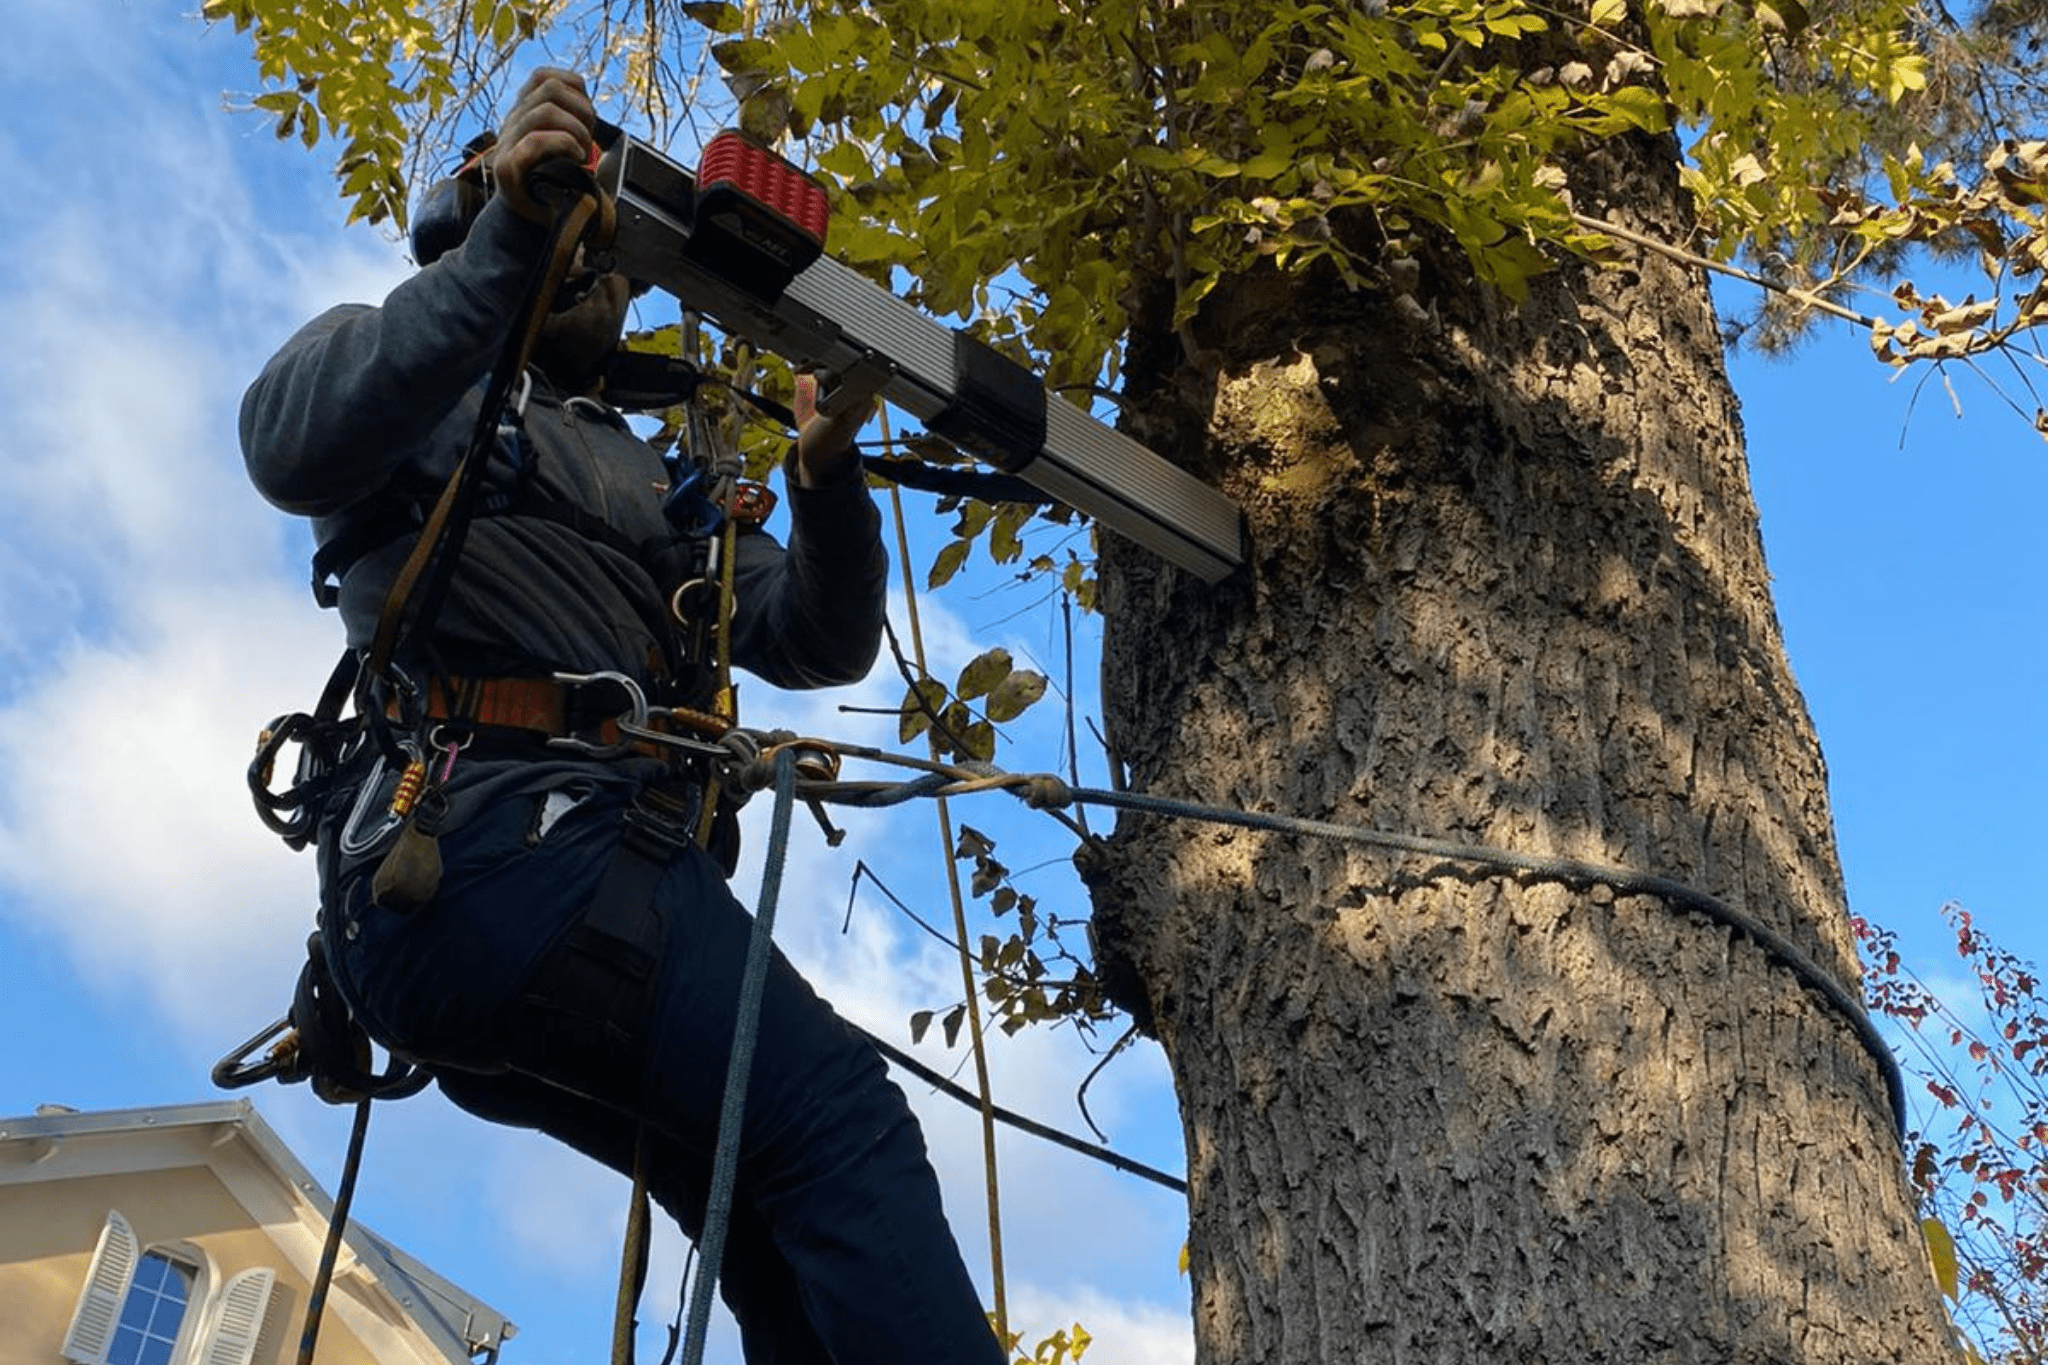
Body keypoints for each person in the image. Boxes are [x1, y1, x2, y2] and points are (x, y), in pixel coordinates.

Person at [240, 67, 1004, 1364]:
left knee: (765, 1204)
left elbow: (812, 638)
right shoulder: (398, 369)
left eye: (613, 259)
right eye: (579, 236)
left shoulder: (658, 478)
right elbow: (284, 443)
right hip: (485, 845)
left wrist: (823, 482)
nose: (607, 274)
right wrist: (509, 242)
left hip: (559, 881)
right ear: (476, 219)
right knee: (839, 1127)